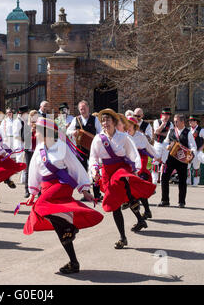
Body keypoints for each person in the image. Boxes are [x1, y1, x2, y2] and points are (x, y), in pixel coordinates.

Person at [23, 117, 103, 274]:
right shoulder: (39, 150)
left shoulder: (61, 147)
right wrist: (32, 193)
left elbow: (75, 167)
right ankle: (73, 262)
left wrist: (84, 189)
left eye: (37, 131)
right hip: (46, 189)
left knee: (40, 208)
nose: (34, 133)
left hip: (61, 185)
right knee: (60, 229)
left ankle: (71, 226)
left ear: (44, 132)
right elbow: (34, 172)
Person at [88, 108, 156, 249]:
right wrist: (94, 171)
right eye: (103, 120)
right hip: (107, 172)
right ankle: (123, 237)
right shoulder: (98, 139)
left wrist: (135, 170)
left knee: (122, 184)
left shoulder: (123, 137)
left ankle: (138, 215)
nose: (105, 123)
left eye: (107, 120)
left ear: (113, 121)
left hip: (121, 169)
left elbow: (133, 154)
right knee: (115, 205)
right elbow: (93, 158)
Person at [66, 100, 102, 201]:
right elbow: (68, 131)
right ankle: (87, 193)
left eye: (84, 108)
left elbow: (100, 132)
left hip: (92, 149)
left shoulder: (94, 119)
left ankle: (97, 193)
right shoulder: (76, 119)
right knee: (82, 171)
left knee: (95, 170)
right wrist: (73, 132)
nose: (83, 111)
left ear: (88, 108)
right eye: (81, 109)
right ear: (79, 110)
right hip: (80, 149)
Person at [159, 114, 197, 208]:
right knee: (164, 177)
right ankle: (165, 200)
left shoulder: (188, 133)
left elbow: (193, 146)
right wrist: (167, 145)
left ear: (182, 122)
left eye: (176, 121)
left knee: (182, 180)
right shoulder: (171, 131)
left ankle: (181, 202)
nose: (174, 123)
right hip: (171, 158)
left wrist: (191, 152)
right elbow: (165, 142)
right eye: (174, 121)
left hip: (182, 160)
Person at [125, 115, 156, 219]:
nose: (128, 127)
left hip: (141, 160)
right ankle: (146, 211)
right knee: (133, 187)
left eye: (130, 125)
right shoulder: (124, 136)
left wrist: (158, 157)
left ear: (135, 126)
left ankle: (144, 211)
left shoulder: (141, 136)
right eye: (126, 125)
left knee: (138, 184)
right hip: (130, 161)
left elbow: (149, 148)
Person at [151, 108, 173, 184]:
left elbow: (170, 134)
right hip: (158, 143)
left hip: (166, 144)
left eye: (168, 115)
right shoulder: (157, 121)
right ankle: (154, 179)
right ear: (162, 115)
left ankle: (162, 179)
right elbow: (156, 132)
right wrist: (162, 125)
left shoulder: (171, 124)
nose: (166, 117)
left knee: (164, 161)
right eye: (165, 115)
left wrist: (161, 133)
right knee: (155, 161)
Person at [187, 116, 204, 186]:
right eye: (189, 121)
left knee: (196, 167)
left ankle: (196, 182)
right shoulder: (188, 130)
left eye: (192, 120)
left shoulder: (201, 130)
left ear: (196, 122)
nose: (190, 122)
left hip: (196, 151)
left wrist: (200, 149)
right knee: (187, 166)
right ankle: (188, 181)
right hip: (189, 151)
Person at [13, 105, 30, 188]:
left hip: (25, 143)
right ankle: (8, 176)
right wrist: (23, 140)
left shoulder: (25, 120)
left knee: (25, 161)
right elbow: (16, 134)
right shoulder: (18, 121)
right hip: (20, 143)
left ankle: (23, 178)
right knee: (20, 161)